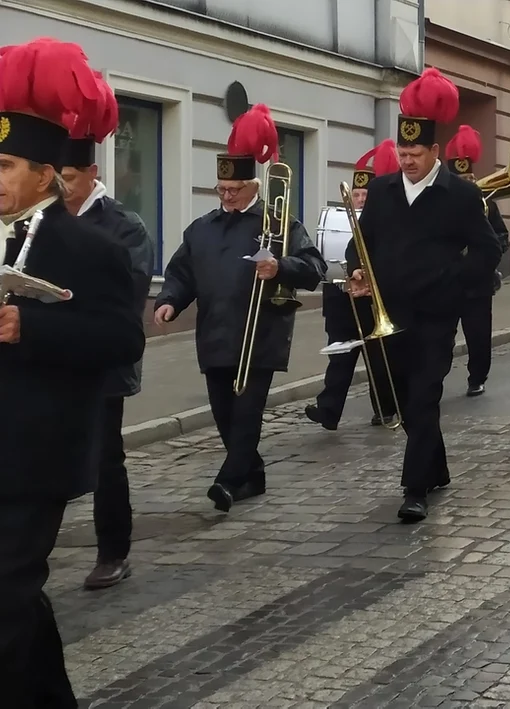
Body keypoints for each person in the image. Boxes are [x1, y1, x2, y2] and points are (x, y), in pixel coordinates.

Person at [0, 38, 146, 706]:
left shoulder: (90, 246)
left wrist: (29, 326)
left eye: (3, 165)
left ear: (42, 174)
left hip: (38, 449)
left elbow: (121, 337)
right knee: (16, 599)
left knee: (6, 592)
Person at [344, 68, 501, 522]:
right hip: (388, 311)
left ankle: (414, 489)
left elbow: (488, 248)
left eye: (415, 153)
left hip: (436, 315)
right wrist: (358, 269)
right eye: (402, 152)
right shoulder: (382, 190)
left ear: (435, 151)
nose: (407, 160)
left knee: (424, 397)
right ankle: (437, 467)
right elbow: (363, 240)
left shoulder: (461, 195)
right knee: (397, 399)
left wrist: (457, 285)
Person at [155, 104, 326, 514]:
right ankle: (253, 475)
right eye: (221, 190)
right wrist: (169, 301)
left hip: (260, 334)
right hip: (214, 334)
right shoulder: (202, 229)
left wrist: (279, 265)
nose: (227, 196)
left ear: (253, 186)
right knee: (224, 415)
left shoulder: (278, 223)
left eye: (235, 190)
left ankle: (227, 481)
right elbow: (182, 272)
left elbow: (314, 267)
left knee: (247, 413)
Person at [61, 72, 156, 591]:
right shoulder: (40, 219)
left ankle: (112, 550)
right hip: (51, 353)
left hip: (103, 360)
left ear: (92, 172)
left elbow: (128, 293)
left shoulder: (124, 225)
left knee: (104, 458)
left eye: (70, 180)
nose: (62, 190)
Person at [306, 139, 400, 430]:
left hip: (372, 298)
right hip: (340, 295)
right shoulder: (341, 219)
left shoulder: (384, 222)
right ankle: (328, 411)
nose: (360, 199)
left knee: (377, 359)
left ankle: (384, 409)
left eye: (365, 194)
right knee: (340, 355)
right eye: (357, 194)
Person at [445, 125, 510, 397]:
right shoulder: (439, 203)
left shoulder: (487, 204)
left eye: (471, 177)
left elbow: (502, 235)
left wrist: (485, 257)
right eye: (462, 178)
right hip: (447, 280)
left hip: (478, 281)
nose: (469, 182)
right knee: (442, 334)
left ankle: (477, 377)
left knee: (479, 334)